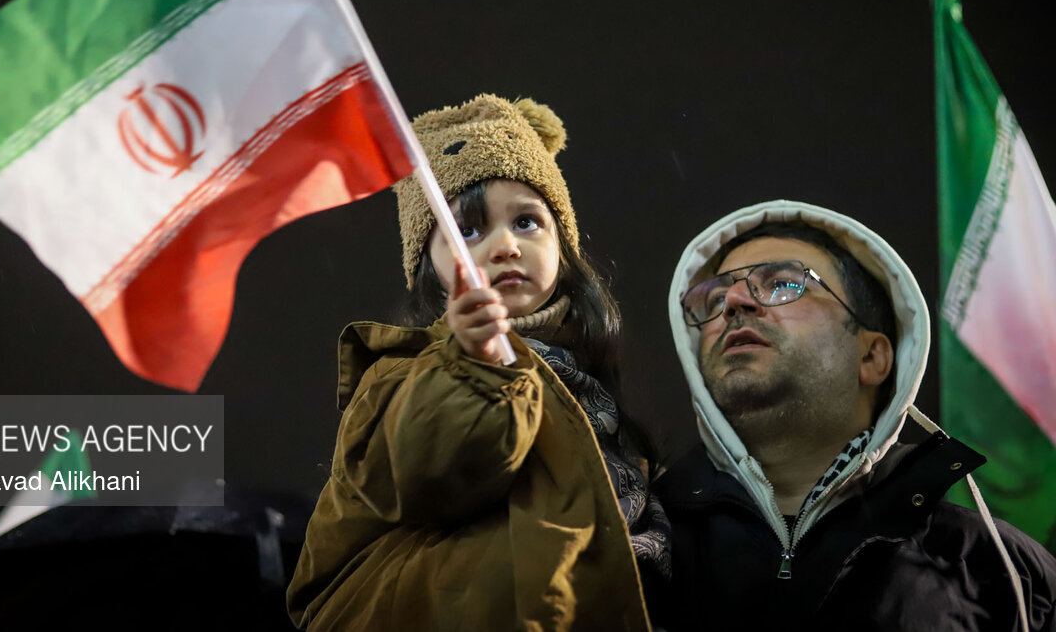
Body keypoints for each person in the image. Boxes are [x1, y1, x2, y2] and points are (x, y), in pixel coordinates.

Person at [286, 94, 669, 631]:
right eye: (466, 231)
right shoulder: (403, 376)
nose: (505, 245)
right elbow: (429, 475)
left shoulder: (588, 388)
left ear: (564, 246)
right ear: (431, 272)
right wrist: (475, 367)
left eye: (528, 221)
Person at [654, 199, 1056, 631]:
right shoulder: (638, 542)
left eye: (782, 284)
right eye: (715, 297)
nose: (733, 301)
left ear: (871, 356)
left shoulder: (1005, 573)